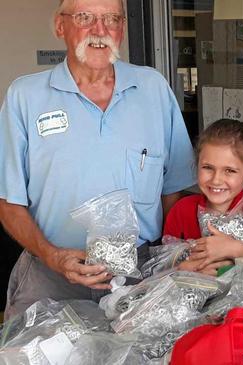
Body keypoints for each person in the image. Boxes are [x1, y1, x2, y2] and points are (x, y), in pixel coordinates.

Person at [0, 0, 195, 319]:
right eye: (85, 17)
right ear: (60, 27)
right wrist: (52, 256)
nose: (100, 30)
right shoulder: (25, 96)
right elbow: (8, 201)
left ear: (122, 30)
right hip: (51, 275)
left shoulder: (152, 88)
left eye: (111, 19)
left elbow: (174, 188)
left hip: (140, 275)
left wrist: (165, 261)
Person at [164, 119, 243, 274]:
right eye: (207, 168)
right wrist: (187, 270)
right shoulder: (182, 210)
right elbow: (162, 267)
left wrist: (236, 250)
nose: (216, 180)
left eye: (230, 170)